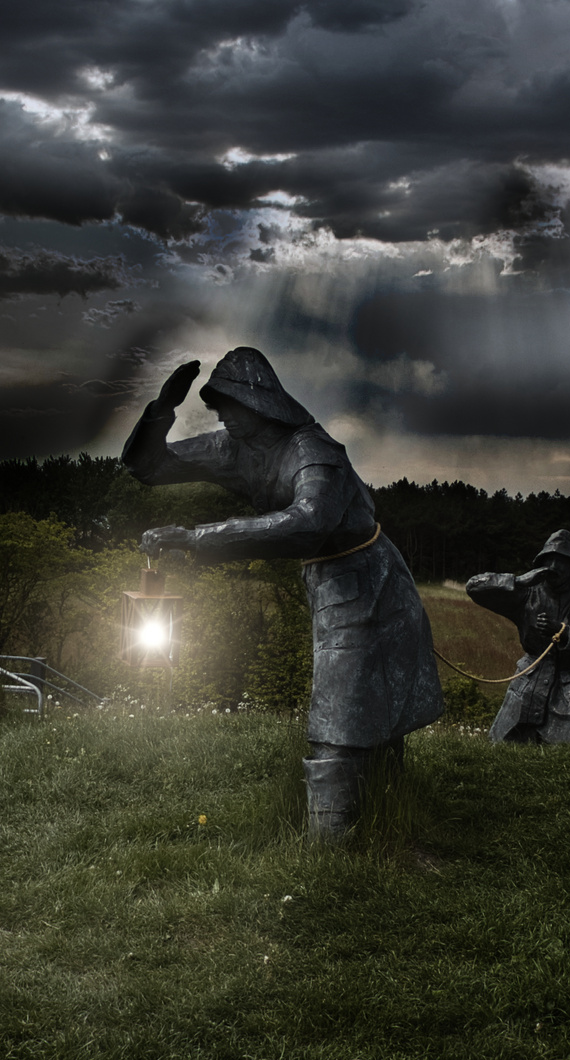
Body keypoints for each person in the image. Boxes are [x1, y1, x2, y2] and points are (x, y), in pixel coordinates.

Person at [125, 347, 443, 839]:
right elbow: (148, 467)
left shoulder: (312, 452)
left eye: (230, 404)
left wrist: (196, 539)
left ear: (260, 403)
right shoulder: (235, 448)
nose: (222, 416)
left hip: (371, 582)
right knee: (360, 703)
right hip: (331, 581)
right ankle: (378, 816)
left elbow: (309, 522)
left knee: (344, 713)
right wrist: (161, 410)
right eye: (216, 406)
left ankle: (332, 841)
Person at [465, 530, 570, 745]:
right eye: (548, 560)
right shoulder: (528, 592)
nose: (553, 567)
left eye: (561, 561)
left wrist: (562, 631)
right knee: (504, 744)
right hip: (529, 682)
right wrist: (518, 581)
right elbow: (474, 587)